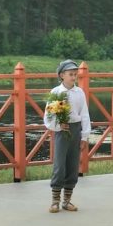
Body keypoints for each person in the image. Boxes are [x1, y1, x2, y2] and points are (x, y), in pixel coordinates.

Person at [43, 59, 91, 213]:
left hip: (76, 130)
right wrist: (58, 126)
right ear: (61, 75)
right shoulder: (56, 93)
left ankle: (67, 201)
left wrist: (84, 136)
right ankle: (55, 201)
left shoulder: (79, 92)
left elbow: (84, 115)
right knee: (59, 165)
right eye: (70, 74)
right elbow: (49, 117)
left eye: (75, 74)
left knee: (72, 165)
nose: (73, 77)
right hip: (62, 131)